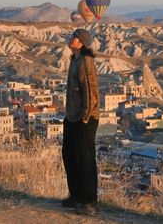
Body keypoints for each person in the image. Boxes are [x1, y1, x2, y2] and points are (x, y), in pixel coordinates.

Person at [61, 28, 100, 215]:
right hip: (72, 116)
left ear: (81, 42)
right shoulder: (74, 60)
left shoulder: (86, 61)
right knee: (70, 156)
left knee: (85, 159)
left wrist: (86, 116)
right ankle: (75, 195)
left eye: (74, 37)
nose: (70, 39)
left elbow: (90, 89)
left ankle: (89, 201)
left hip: (85, 118)